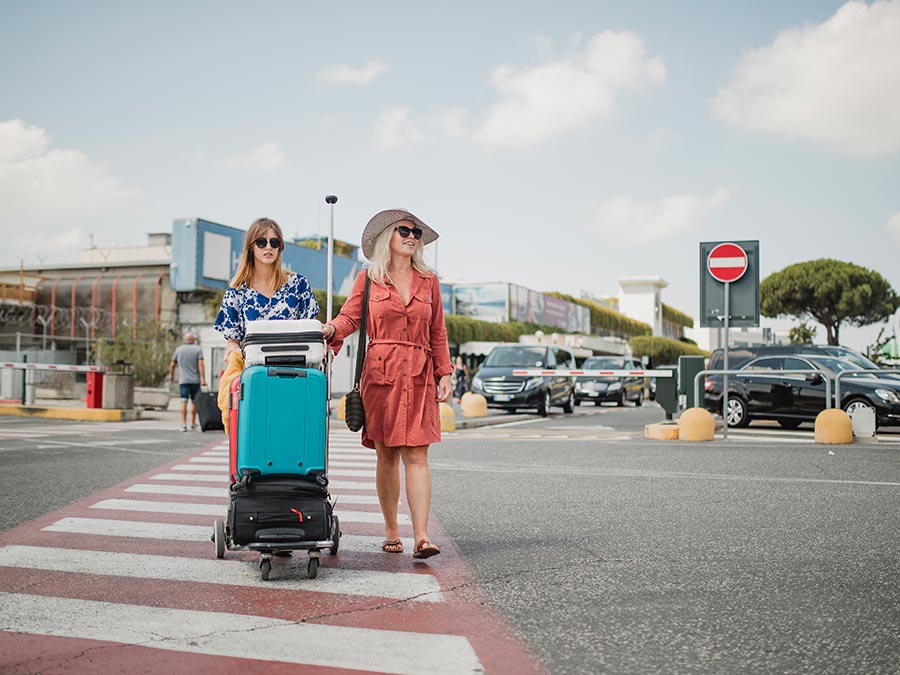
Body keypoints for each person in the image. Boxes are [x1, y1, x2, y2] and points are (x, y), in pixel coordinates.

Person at [323, 209, 453, 560]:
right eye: (404, 231)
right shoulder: (369, 280)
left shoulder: (430, 283)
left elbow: (437, 331)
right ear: (388, 238)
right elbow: (351, 317)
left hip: (420, 374)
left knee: (418, 454)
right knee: (387, 455)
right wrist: (332, 330)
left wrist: (445, 372)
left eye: (416, 233)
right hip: (380, 374)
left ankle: (422, 537)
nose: (412, 237)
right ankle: (392, 529)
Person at [214, 217, 320, 357]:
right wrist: (234, 352)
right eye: (261, 242)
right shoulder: (236, 292)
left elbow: (310, 331)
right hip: (255, 372)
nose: (268, 247)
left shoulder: (298, 284)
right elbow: (232, 342)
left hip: (296, 368)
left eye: (274, 242)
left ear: (280, 247)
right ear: (251, 247)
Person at [170, 332, 207, 431]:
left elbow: (172, 364)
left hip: (183, 381)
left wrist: (171, 375)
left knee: (183, 401)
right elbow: (201, 364)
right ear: (193, 340)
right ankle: (193, 423)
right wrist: (203, 379)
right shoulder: (198, 349)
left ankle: (183, 424)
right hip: (195, 380)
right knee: (194, 402)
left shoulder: (178, 350)